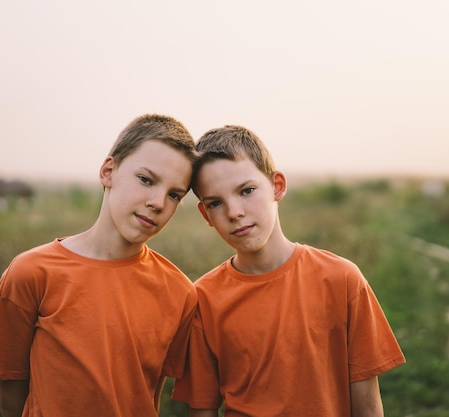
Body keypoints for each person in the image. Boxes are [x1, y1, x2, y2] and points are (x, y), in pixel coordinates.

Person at [172, 125, 405, 417]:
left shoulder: (342, 279)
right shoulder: (203, 299)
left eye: (246, 190)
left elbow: (368, 406)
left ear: (277, 186)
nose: (234, 212)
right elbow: (202, 410)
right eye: (216, 203)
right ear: (206, 215)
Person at [0, 114, 199, 417]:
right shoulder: (30, 272)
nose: (158, 203)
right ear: (108, 171)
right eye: (146, 180)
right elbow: (9, 398)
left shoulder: (180, 293)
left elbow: (149, 396)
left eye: (174, 194)